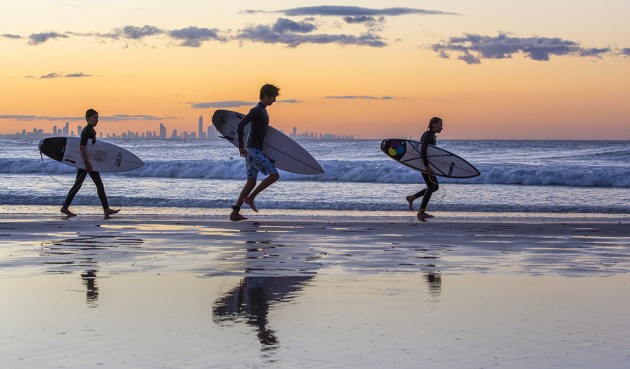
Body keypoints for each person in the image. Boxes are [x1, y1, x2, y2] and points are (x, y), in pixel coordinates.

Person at [230, 84, 281, 221]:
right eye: (273, 97)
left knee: (251, 182)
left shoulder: (262, 110)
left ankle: (235, 213)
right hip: (253, 151)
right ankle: (250, 198)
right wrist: (241, 146)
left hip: (252, 151)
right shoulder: (257, 110)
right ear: (265, 96)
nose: (274, 100)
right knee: (274, 175)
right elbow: (240, 125)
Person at [60, 109, 120, 219]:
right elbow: (82, 147)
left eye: (98, 118)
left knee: (94, 184)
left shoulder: (91, 130)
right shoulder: (86, 130)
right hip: (85, 163)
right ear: (88, 119)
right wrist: (86, 163)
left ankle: (106, 209)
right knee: (81, 185)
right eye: (95, 117)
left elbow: (91, 148)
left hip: (89, 162)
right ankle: (65, 207)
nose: (97, 120)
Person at [406, 117, 443, 221]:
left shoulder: (430, 135)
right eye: (440, 125)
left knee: (434, 187)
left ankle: (412, 198)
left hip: (425, 165)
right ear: (433, 124)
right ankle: (421, 212)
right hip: (425, 165)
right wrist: (426, 167)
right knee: (433, 187)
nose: (442, 127)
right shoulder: (428, 135)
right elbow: (423, 151)